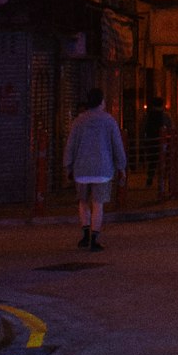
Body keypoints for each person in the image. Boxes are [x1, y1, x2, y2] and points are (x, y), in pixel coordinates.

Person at [64, 87, 127, 251]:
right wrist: (122, 166)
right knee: (98, 204)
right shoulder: (109, 121)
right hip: (103, 170)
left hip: (81, 169)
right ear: (102, 102)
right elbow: (117, 146)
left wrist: (68, 165)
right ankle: (94, 238)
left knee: (83, 202)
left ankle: (85, 235)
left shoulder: (78, 121)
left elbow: (70, 145)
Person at [142, 95, 171, 187]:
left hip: (151, 140)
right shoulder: (165, 115)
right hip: (162, 141)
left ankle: (150, 178)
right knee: (163, 160)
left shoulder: (148, 115)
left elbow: (143, 127)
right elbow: (170, 127)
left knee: (152, 161)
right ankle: (161, 181)